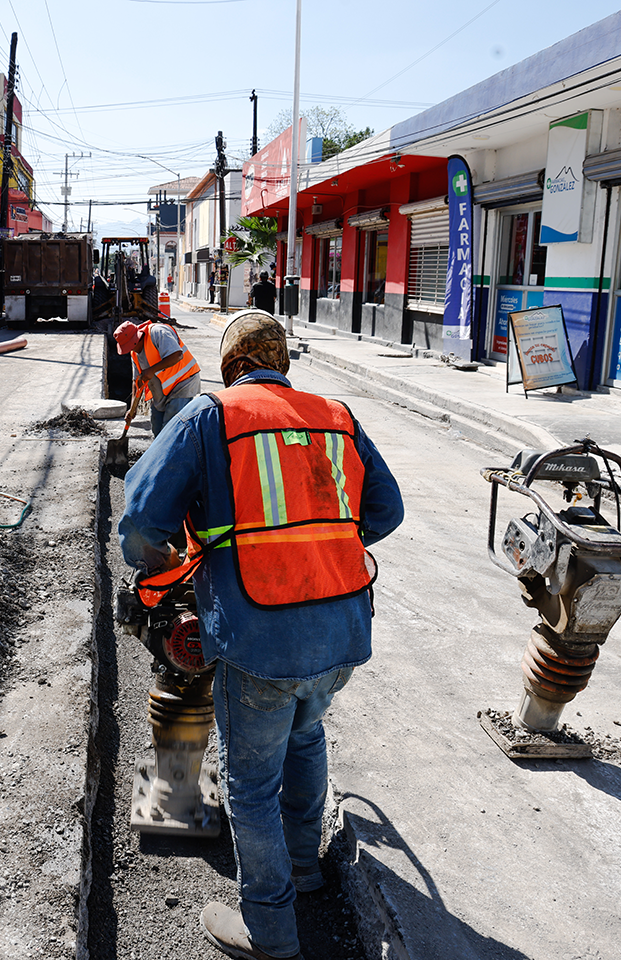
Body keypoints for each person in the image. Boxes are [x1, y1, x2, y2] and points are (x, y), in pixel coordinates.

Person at [118, 311, 403, 960]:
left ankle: (270, 932)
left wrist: (169, 569)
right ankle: (305, 868)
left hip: (260, 640)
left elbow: (138, 525)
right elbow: (387, 510)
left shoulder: (209, 417)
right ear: (282, 361)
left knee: (250, 785)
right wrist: (324, 551)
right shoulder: (337, 415)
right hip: (342, 636)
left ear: (230, 365)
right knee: (305, 737)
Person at [113, 319, 201, 436]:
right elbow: (137, 382)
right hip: (162, 391)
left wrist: (152, 370)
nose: (130, 350)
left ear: (135, 340)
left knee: (171, 428)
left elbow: (177, 355)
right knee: (157, 427)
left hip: (183, 383)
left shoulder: (157, 332)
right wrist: (132, 408)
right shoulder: (134, 353)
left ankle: (175, 452)